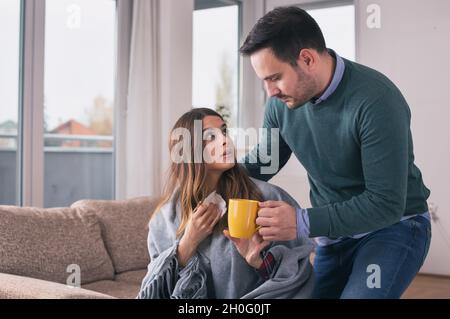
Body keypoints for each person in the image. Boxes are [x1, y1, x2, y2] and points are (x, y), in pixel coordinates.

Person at [240, 6, 431, 299]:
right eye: (264, 81)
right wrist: (212, 176)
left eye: (275, 77)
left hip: (394, 227)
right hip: (333, 238)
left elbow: (386, 204)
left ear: (307, 59)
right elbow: (263, 164)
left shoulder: (376, 100)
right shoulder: (280, 105)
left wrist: (301, 221)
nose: (270, 92)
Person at [137, 108, 314, 299]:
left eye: (224, 131)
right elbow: (152, 293)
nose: (224, 140)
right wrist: (187, 244)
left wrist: (259, 262)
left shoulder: (267, 198)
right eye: (210, 136)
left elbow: (299, 273)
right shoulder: (165, 219)